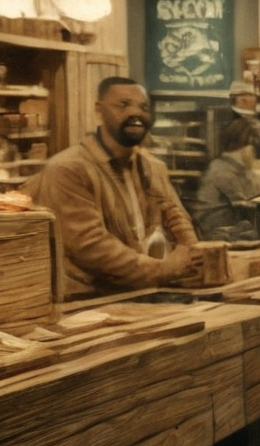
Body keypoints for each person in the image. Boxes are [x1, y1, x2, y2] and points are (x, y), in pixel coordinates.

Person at [24, 76, 201, 295]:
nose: (135, 113)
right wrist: (165, 270)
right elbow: (92, 248)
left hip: (142, 294)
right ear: (99, 111)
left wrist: (192, 254)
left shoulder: (153, 167)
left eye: (143, 107)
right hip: (85, 303)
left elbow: (175, 216)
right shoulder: (67, 169)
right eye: (123, 105)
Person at [193, 118, 260, 241]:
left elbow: (256, 183)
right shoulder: (221, 170)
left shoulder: (234, 167)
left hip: (228, 226)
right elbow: (244, 204)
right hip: (214, 230)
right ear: (246, 148)